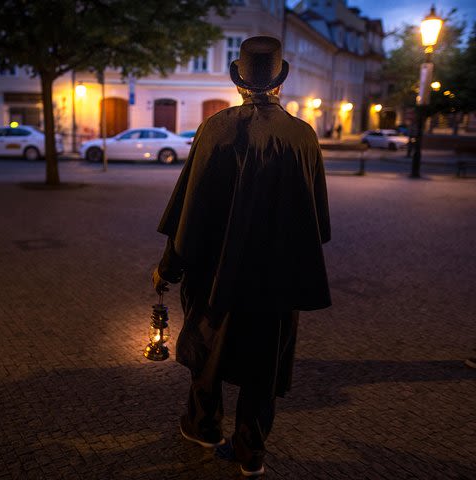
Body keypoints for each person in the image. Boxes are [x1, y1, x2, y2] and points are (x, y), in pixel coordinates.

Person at [151, 36, 331, 477]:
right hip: (275, 279)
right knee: (262, 367)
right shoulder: (303, 136)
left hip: (216, 275)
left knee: (207, 349)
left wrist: (167, 268)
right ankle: (250, 451)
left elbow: (189, 210)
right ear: (279, 83)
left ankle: (203, 425)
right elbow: (317, 221)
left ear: (239, 82)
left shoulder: (216, 129)